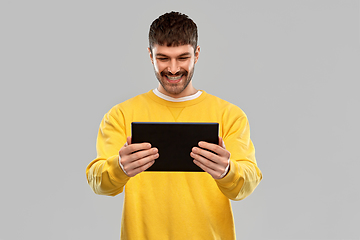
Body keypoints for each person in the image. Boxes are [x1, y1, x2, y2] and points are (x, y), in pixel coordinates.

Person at [86, 11, 262, 240]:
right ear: (150, 55)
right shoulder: (120, 115)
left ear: (196, 54)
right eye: (163, 58)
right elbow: (99, 183)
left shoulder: (229, 116)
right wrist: (119, 166)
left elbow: (247, 183)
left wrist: (228, 171)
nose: (173, 68)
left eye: (182, 57)